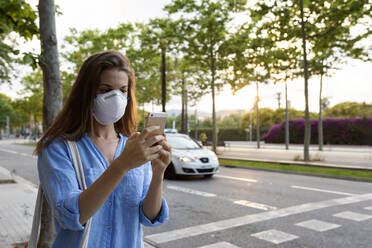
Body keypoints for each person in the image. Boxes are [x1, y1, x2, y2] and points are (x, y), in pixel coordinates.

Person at [35, 50, 171, 248]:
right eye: (105, 89)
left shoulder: (132, 145)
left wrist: (158, 174)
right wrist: (121, 165)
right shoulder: (57, 147)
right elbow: (71, 217)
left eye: (122, 90)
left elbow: (148, 215)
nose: (115, 97)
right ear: (86, 92)